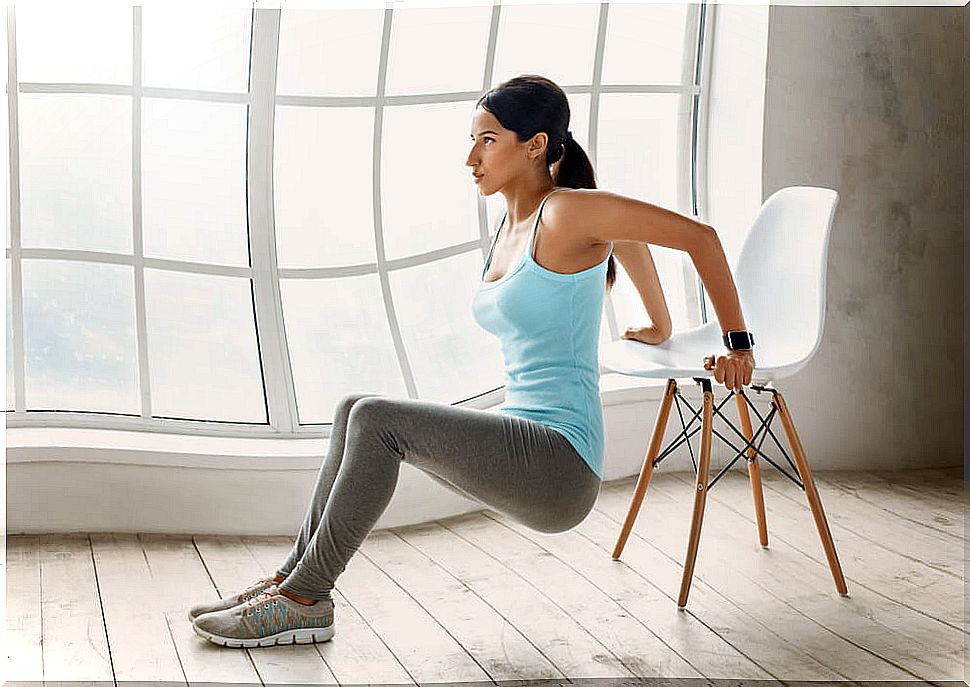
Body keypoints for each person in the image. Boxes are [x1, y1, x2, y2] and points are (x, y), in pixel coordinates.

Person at [188, 74, 756, 648]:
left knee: (377, 419)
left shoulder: (564, 213)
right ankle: (291, 581)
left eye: (487, 140)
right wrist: (658, 324)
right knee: (353, 407)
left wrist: (738, 345)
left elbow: (700, 237)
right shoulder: (516, 225)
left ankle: (306, 599)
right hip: (521, 444)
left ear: (534, 145)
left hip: (559, 464)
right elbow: (627, 239)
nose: (470, 158)